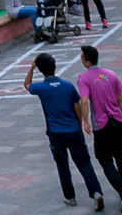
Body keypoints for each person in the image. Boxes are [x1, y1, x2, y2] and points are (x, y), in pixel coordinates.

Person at [25, 53, 103, 208]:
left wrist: (31, 68)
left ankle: (70, 196)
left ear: (41, 70)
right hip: (73, 130)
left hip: (55, 133)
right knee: (84, 163)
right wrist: (80, 125)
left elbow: (27, 84)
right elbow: (77, 107)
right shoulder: (67, 85)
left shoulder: (41, 88)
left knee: (62, 165)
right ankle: (96, 192)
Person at [76, 43, 122, 212]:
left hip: (101, 124)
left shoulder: (84, 78)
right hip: (117, 121)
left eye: (81, 57)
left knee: (104, 158)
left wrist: (85, 121)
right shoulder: (111, 74)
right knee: (120, 156)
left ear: (87, 62)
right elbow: (121, 100)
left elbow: (85, 100)